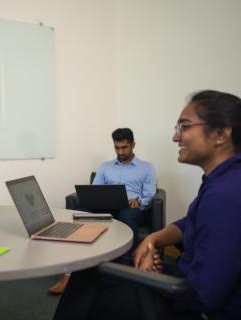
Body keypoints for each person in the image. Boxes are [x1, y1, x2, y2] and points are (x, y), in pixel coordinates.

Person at [53, 90, 241, 320]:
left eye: (184, 126)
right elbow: (189, 222)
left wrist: (149, 277)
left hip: (193, 304)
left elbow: (202, 296)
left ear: (221, 134)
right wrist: (153, 239)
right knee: (88, 274)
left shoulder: (225, 194)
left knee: (95, 289)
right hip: (183, 277)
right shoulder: (222, 180)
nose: (175, 137)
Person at [49, 128, 157, 295]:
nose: (120, 152)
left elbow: (150, 195)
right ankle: (70, 274)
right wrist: (95, 199)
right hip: (105, 207)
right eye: (117, 148)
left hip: (131, 209)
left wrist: (139, 201)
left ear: (133, 145)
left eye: (124, 147)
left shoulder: (147, 168)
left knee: (126, 215)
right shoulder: (105, 167)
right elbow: (96, 190)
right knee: (80, 213)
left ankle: (123, 273)